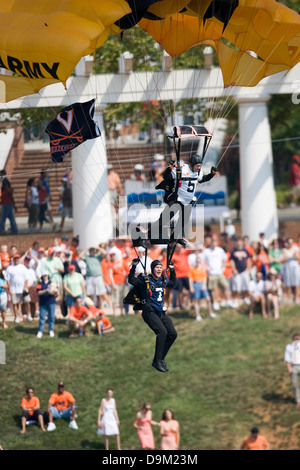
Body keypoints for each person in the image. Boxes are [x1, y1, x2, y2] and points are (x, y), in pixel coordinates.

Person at [139, 154, 217, 245]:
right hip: (177, 200)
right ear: (191, 165)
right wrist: (169, 168)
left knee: (183, 221)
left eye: (200, 165)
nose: (199, 167)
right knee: (164, 220)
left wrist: (211, 174)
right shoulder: (181, 170)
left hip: (188, 201)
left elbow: (202, 179)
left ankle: (175, 238)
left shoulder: (199, 171)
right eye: (197, 165)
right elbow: (166, 177)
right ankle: (146, 236)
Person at [127, 258, 177, 373]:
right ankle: (157, 361)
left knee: (172, 334)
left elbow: (173, 283)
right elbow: (131, 280)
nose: (159, 269)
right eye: (157, 267)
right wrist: (134, 266)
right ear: (152, 269)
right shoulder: (145, 280)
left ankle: (159, 359)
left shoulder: (163, 279)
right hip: (149, 312)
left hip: (160, 312)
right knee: (162, 332)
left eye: (160, 267)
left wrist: (172, 270)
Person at [203, 236, 233, 311]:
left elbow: (225, 259)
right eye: (212, 243)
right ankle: (215, 303)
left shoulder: (220, 250)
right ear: (210, 244)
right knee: (213, 289)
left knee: (226, 286)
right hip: (211, 273)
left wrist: (223, 267)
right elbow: (203, 261)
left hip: (220, 273)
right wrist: (206, 267)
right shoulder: (206, 251)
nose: (214, 244)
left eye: (215, 242)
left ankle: (228, 302)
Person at [189, 255, 216, 321]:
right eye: (197, 261)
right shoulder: (192, 269)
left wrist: (204, 285)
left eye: (199, 261)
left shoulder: (203, 268)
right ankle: (197, 315)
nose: (198, 262)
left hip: (202, 284)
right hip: (195, 284)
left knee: (208, 299)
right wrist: (191, 287)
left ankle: (211, 313)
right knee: (196, 300)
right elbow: (190, 279)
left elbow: (205, 277)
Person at [5, 254, 29, 323]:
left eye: (18, 258)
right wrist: (9, 289)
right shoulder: (10, 268)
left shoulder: (23, 267)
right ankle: (16, 316)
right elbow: (7, 279)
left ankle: (28, 315)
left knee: (26, 302)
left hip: (23, 288)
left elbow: (26, 278)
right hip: (14, 288)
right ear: (13, 259)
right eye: (15, 258)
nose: (17, 260)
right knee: (14, 303)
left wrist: (25, 287)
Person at [230, 237, 252, 306]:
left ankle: (245, 298)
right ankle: (236, 299)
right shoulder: (233, 251)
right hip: (237, 271)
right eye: (238, 241)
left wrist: (248, 268)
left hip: (244, 271)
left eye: (240, 241)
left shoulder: (245, 250)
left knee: (246, 285)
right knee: (237, 286)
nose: (239, 243)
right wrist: (233, 269)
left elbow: (248, 259)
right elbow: (232, 261)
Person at [36, 272, 58, 338]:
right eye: (44, 275)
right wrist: (46, 290)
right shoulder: (40, 284)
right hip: (43, 302)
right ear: (42, 276)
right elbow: (38, 292)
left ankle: (51, 330)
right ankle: (40, 331)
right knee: (42, 317)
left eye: (46, 275)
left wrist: (54, 291)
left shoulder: (52, 283)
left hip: (51, 302)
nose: (45, 276)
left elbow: (57, 290)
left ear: (48, 276)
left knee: (51, 317)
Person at [284, 333, 300, 406]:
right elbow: (287, 358)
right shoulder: (289, 347)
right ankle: (298, 400)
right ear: (292, 339)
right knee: (295, 384)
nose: (297, 340)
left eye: (298, 339)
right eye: (295, 339)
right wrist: (289, 368)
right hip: (294, 366)